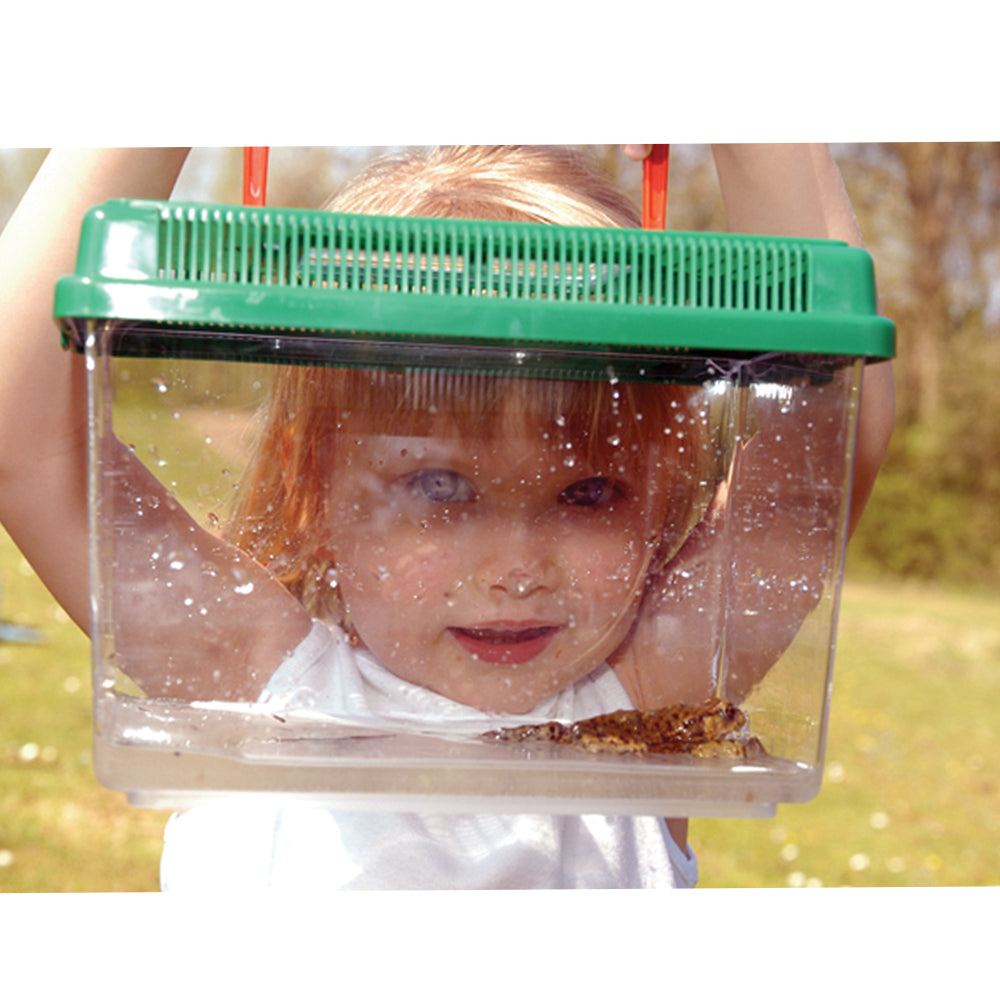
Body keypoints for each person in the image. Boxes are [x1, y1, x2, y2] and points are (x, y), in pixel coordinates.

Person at [0, 145, 894, 889]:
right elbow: (22, 434)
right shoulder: (268, 692)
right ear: (318, 496)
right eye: (437, 488)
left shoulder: (634, 723)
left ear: (660, 505)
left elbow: (813, 466)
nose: (515, 568)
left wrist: (756, 123)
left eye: (588, 494)